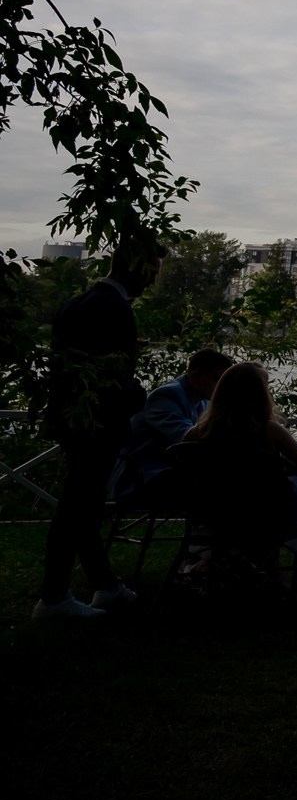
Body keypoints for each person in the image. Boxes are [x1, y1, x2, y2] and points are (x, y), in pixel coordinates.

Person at [36, 236, 161, 621]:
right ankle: (54, 596)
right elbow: (112, 379)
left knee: (83, 506)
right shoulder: (116, 308)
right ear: (136, 268)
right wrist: (139, 394)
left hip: (74, 418)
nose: (152, 282)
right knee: (78, 507)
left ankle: (106, 586)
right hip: (98, 425)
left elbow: (77, 362)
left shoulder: (80, 302)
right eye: (152, 272)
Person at [179, 361, 297, 550]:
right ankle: (260, 561)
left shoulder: (195, 433)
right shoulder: (269, 429)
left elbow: (186, 469)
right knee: (285, 498)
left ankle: (220, 560)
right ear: (261, 395)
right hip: (266, 511)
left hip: (215, 510)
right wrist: (277, 467)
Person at [113, 346, 234, 506]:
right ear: (195, 376)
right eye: (217, 379)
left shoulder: (203, 402)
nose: (222, 387)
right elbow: (187, 439)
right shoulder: (167, 395)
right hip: (141, 477)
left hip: (165, 473)